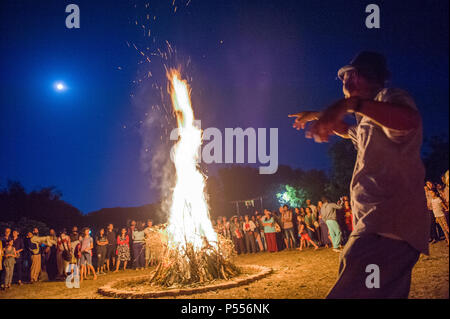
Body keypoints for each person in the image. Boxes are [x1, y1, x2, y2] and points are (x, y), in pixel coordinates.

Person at [290, 51, 429, 298]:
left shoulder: (389, 97)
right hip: (388, 229)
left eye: (353, 75)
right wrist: (318, 115)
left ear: (366, 77)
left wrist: (349, 104)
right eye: (345, 77)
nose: (346, 82)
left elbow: (409, 121)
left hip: (385, 227)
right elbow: (349, 132)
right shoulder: (368, 120)